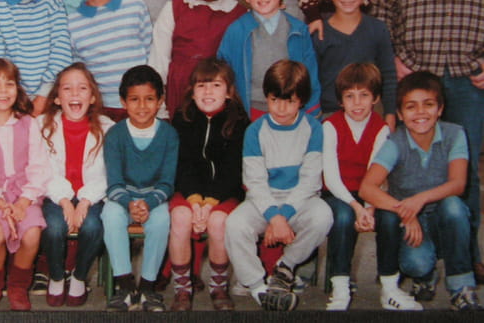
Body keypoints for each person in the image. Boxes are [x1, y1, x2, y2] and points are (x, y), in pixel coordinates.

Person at [373, 0, 484, 281]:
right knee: (409, 169)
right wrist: (394, 60)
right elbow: (380, 11)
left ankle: (465, 257)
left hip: (469, 81)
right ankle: (415, 249)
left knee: (464, 174)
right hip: (415, 82)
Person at [360, 72, 483, 311]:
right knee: (416, 264)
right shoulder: (395, 143)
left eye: (428, 105)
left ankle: (461, 288)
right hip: (411, 221)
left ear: (440, 109)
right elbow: (367, 188)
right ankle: (425, 276)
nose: (420, 113)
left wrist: (419, 199)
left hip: (444, 217)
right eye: (411, 106)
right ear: (400, 114)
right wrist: (406, 212)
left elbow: (458, 184)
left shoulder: (454, 133)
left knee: (454, 206)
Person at [225, 60, 332, 312]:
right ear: (266, 97)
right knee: (234, 224)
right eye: (275, 100)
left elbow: (310, 181)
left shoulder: (313, 129)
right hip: (263, 201)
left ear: (301, 101)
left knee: (323, 216)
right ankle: (258, 288)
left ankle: (285, 267)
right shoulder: (255, 131)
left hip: (299, 201)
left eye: (290, 101)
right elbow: (255, 182)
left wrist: (282, 217)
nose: (281, 109)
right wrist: (274, 216)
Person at [321, 63, 413, 310]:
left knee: (390, 217)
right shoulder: (330, 126)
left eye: (364, 95)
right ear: (340, 101)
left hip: (370, 191)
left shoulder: (381, 128)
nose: (357, 103)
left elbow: (376, 175)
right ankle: (341, 287)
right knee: (343, 218)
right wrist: (356, 207)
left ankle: (389, 287)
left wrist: (370, 208)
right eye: (349, 96)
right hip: (338, 192)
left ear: (376, 98)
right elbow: (331, 176)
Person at [0, 58, 51, 311]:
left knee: (32, 231)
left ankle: (18, 285)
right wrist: (3, 205)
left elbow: (39, 166)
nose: (3, 91)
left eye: (9, 84)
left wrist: (24, 202)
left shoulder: (29, 123)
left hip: (26, 194)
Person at [168, 58, 249, 311]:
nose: (208, 92)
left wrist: (210, 203)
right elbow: (182, 164)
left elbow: (233, 169)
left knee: (218, 221)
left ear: (229, 92)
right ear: (192, 92)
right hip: (188, 190)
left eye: (216, 85)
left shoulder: (238, 121)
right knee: (180, 217)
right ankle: (182, 287)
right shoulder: (183, 118)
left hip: (225, 192)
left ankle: (218, 285)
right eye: (201, 86)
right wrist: (194, 201)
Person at [102, 65, 179, 312]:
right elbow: (114, 183)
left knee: (161, 220)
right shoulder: (115, 135)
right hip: (123, 198)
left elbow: (167, 182)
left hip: (154, 199)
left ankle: (147, 287)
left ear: (160, 101)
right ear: (123, 102)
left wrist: (149, 203)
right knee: (110, 215)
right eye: (134, 99)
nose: (142, 106)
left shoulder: (168, 134)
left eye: (149, 99)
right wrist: (130, 204)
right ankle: (125, 286)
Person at [39, 63, 113, 307]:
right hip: (54, 194)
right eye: (67, 88)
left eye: (82, 88)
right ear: (57, 98)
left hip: (92, 195)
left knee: (93, 225)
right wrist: (64, 201)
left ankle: (79, 276)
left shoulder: (107, 128)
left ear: (92, 97)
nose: (74, 94)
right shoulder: (41, 125)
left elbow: (107, 173)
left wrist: (85, 201)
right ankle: (57, 276)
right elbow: (43, 170)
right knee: (54, 227)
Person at [149, 0, 246, 118]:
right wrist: (160, 110)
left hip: (220, 103)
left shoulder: (239, 14)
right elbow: (158, 63)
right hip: (178, 97)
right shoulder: (174, 9)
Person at [217, 0, 320, 119]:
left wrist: (311, 114)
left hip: (290, 109)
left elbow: (310, 75)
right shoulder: (236, 31)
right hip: (250, 110)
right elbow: (224, 74)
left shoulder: (298, 30)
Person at [67, 0, 152, 121]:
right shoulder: (71, 23)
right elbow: (80, 74)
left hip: (139, 105)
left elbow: (149, 54)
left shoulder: (135, 7)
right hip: (100, 110)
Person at [312, 0, 396, 129]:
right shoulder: (319, 33)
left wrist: (390, 113)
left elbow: (389, 75)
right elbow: (312, 80)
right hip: (329, 115)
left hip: (370, 114)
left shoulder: (378, 29)